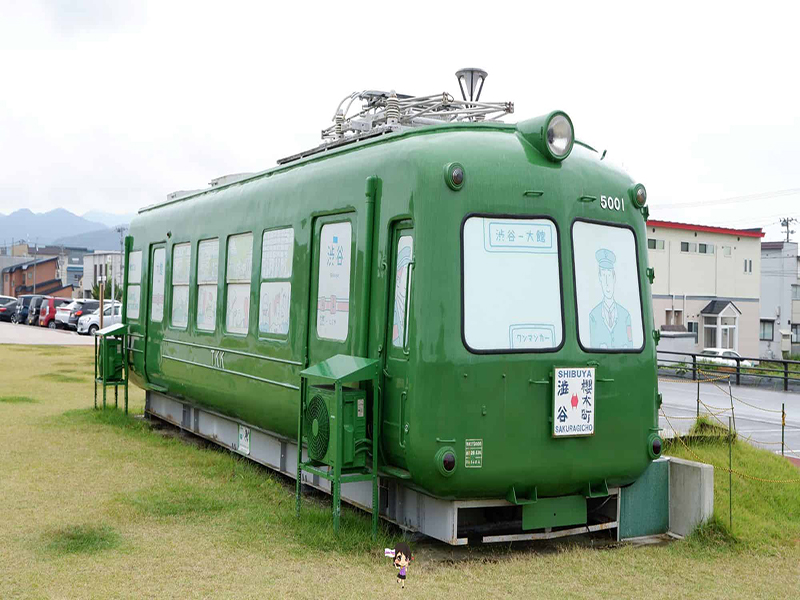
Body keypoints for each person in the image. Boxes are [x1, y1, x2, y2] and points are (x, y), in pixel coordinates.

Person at [588, 248, 633, 349]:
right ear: (599, 278)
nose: (607, 283)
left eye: (609, 275)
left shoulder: (625, 316)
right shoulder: (593, 316)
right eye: (604, 276)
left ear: (614, 277)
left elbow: (630, 343)